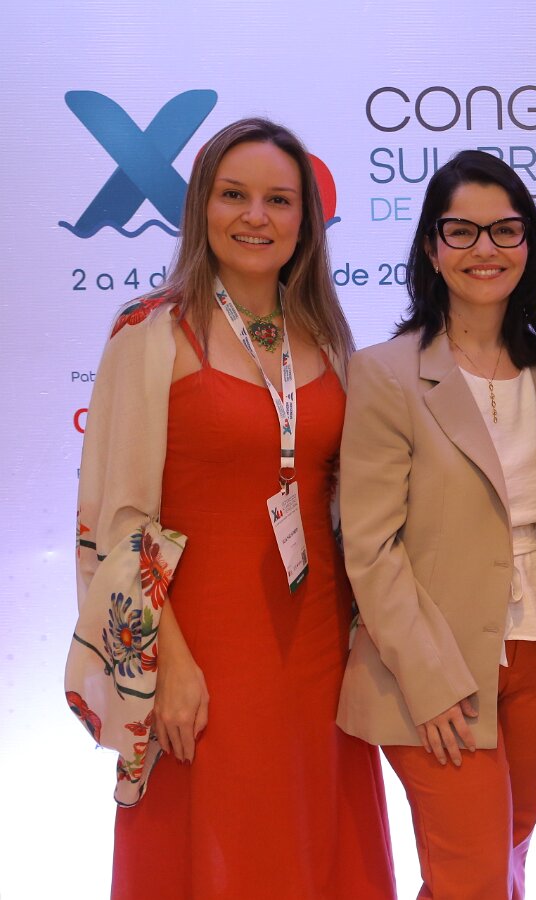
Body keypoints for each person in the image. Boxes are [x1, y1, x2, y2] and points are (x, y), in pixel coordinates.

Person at [66, 118, 396, 899]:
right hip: (202, 648)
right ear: (201, 209)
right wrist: (168, 663)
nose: (256, 216)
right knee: (213, 848)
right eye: (234, 195)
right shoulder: (151, 334)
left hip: (320, 649)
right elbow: (120, 521)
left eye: (279, 200)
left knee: (318, 842)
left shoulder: (328, 336)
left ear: (305, 219)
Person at [336, 149, 536, 899]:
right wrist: (427, 679)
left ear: (529, 243)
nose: (485, 249)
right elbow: (370, 547)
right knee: (473, 875)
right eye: (462, 231)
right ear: (431, 247)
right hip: (436, 666)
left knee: (502, 860)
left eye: (505, 230)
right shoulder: (386, 372)